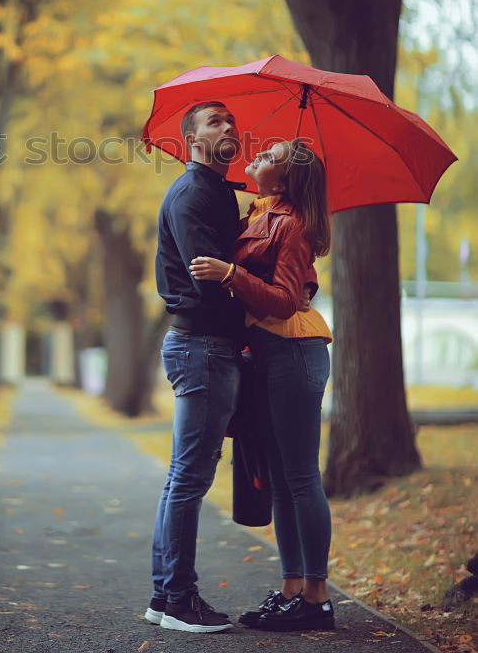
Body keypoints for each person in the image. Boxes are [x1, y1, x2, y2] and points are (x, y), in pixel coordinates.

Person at [190, 138, 335, 633]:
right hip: (269, 355)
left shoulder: (292, 222)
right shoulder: (260, 211)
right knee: (278, 477)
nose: (257, 155)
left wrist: (231, 273)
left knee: (300, 477)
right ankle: (292, 589)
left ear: (284, 177)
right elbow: (296, 279)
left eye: (269, 156)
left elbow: (283, 299)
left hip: (294, 352)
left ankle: (317, 598)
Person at [147, 100, 244, 633]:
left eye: (231, 121)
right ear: (192, 139)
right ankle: (178, 601)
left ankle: (166, 597)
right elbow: (209, 281)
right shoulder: (192, 194)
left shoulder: (219, 192)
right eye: (214, 121)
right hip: (202, 347)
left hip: (206, 347)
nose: (228, 127)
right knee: (188, 480)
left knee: (182, 479)